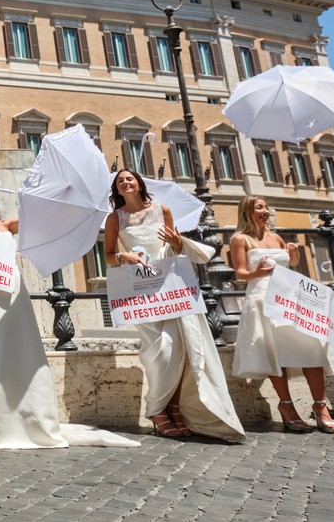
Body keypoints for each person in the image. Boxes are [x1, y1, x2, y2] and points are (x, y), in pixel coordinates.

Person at [0, 179, 138, 450]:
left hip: (12, 290)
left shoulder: (5, 225)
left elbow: (35, 222)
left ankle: (23, 415)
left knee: (19, 347)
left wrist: (57, 200)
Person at [104, 170, 245, 441]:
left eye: (129, 179)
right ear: (117, 189)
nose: (125, 182)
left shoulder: (162, 209)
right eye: (120, 181)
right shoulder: (115, 218)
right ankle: (158, 410)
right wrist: (124, 255)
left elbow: (178, 248)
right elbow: (109, 256)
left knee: (181, 347)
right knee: (160, 350)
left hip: (170, 285)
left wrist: (176, 242)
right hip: (141, 289)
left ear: (139, 183)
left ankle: (175, 409)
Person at [230, 195, 334, 433]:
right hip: (262, 298)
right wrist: (261, 272)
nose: (265, 211)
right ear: (247, 212)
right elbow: (241, 272)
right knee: (276, 355)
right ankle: (287, 407)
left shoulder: (275, 236)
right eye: (259, 207)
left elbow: (291, 263)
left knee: (311, 347)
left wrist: (293, 252)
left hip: (288, 297)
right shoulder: (239, 239)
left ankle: (320, 405)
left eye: (266, 207)